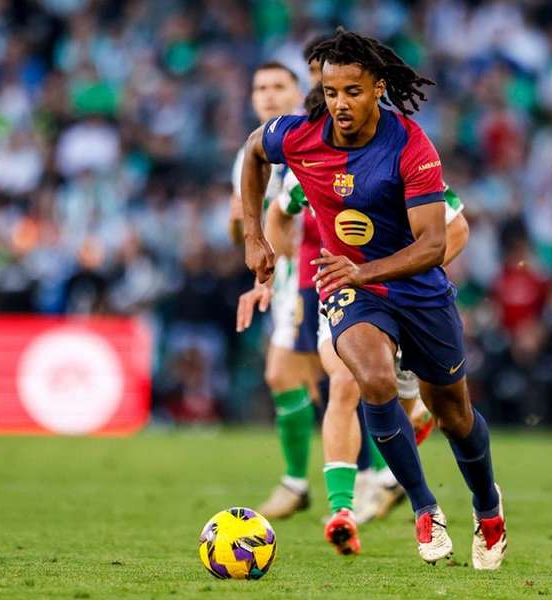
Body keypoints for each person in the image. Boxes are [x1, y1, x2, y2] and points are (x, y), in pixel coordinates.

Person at [240, 28, 506, 569]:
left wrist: (363, 271)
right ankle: (425, 509)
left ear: (378, 88)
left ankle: (488, 507)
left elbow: (434, 243)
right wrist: (254, 235)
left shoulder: (410, 144)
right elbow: (252, 152)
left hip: (417, 289)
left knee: (452, 412)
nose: (340, 103)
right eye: (332, 92)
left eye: (353, 92)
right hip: (350, 290)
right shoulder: (298, 135)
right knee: (372, 380)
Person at [229, 62, 321, 520]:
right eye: (259, 87)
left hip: (321, 273)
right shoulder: (249, 154)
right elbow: (246, 223)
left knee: (335, 379)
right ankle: (311, 482)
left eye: (277, 86)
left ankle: (376, 479)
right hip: (285, 282)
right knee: (294, 378)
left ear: (298, 92)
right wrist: (260, 276)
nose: (267, 95)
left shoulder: (310, 141)